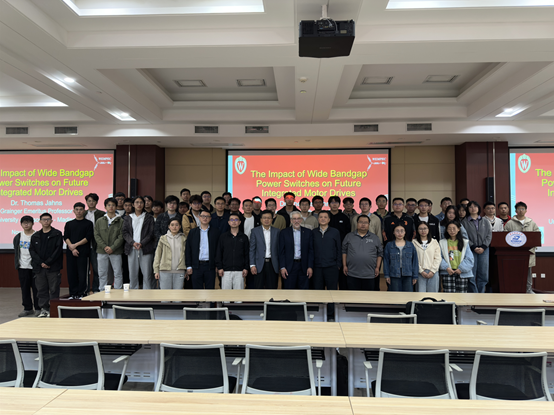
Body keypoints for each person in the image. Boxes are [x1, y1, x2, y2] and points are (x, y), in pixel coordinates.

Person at [29, 212, 63, 318]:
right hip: (39, 268)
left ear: (51, 221)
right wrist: (41, 263)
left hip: (53, 267)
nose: (46, 221)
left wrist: (48, 262)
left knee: (54, 289)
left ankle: (53, 309)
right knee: (41, 289)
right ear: (40, 221)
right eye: (44, 219)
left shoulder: (57, 234)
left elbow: (58, 250)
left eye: (48, 219)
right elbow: (32, 251)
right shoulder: (35, 236)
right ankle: (44, 309)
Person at [504, 201, 541, 294]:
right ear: (516, 211)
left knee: (528, 272)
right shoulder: (510, 223)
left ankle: (528, 290)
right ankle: (514, 290)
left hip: (528, 252)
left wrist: (533, 246)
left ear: (526, 210)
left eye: (523, 209)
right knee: (514, 271)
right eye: (519, 209)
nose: (521, 210)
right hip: (514, 253)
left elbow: (537, 235)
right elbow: (504, 237)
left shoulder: (531, 223)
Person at [122, 196, 155, 289]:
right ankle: (133, 293)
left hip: (145, 248)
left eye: (141, 202)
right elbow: (125, 232)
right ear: (133, 204)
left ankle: (147, 293)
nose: (139, 204)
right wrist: (132, 242)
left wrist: (142, 243)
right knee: (132, 273)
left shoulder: (149, 217)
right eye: (137, 202)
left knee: (147, 273)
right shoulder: (128, 218)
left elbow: (151, 233)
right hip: (131, 248)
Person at [342, 215, 383, 291]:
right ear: (357, 223)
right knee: (353, 295)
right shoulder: (349, 236)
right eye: (360, 222)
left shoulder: (375, 238)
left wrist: (377, 267)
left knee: (368, 296)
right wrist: (344, 265)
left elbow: (380, 253)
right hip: (352, 273)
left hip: (370, 274)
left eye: (365, 223)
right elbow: (344, 251)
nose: (363, 224)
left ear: (369, 224)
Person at [64, 202, 94, 299]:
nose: (79, 211)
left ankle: (82, 293)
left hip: (83, 252)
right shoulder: (69, 224)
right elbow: (66, 237)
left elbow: (88, 237)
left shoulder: (88, 223)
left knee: (82, 274)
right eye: (77, 209)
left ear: (84, 211)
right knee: (71, 273)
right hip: (70, 252)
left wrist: (75, 245)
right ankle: (73, 294)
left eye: (81, 209)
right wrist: (71, 247)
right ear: (73, 211)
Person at [461, 201, 492, 293]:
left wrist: (483, 247)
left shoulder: (485, 221)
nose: (473, 208)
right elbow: (463, 236)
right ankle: (474, 294)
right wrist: (473, 246)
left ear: (478, 208)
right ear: (467, 209)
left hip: (484, 250)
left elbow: (489, 235)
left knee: (484, 273)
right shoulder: (464, 222)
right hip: (470, 249)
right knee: (471, 273)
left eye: (475, 206)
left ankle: (481, 293)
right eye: (470, 207)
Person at [185, 211, 220, 289]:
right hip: (196, 266)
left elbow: (218, 250)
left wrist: (217, 265)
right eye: (203, 216)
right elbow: (188, 250)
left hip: (210, 266)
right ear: (199, 218)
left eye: (207, 216)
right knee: (197, 289)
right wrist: (188, 266)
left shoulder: (216, 232)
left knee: (210, 289)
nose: (205, 218)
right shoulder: (193, 232)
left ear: (210, 219)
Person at [94, 197, 124, 290]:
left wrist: (112, 248)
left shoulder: (121, 221)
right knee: (102, 273)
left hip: (116, 251)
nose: (111, 207)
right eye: (109, 205)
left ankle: (118, 291)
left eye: (113, 205)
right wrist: (104, 247)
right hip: (102, 251)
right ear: (105, 207)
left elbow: (121, 236)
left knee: (118, 272)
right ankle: (102, 291)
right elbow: (96, 235)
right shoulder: (99, 221)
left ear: (116, 207)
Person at [278, 212, 314, 289]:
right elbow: (281, 252)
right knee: (289, 290)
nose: (296, 221)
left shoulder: (308, 232)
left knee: (304, 291)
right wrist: (282, 267)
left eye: (298, 219)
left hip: (304, 266)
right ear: (291, 220)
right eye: (294, 219)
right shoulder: (284, 232)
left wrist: (310, 266)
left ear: (301, 220)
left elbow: (311, 251)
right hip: (289, 267)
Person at [13, 215, 39, 317]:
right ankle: (27, 308)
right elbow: (16, 251)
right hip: (22, 266)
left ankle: (38, 308)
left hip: (35, 267)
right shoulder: (18, 236)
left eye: (28, 222)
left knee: (37, 289)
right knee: (24, 288)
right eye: (24, 223)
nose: (26, 224)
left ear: (33, 224)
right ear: (21, 224)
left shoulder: (37, 235)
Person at [216, 213, 250, 290]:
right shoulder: (223, 237)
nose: (234, 221)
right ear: (228, 222)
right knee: (226, 295)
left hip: (240, 271)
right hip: (225, 271)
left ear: (240, 222)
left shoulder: (244, 237)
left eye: (236, 219)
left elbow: (246, 254)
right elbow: (219, 253)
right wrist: (220, 267)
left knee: (239, 295)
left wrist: (246, 268)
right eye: (231, 220)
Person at [439, 221, 474, 293]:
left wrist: (461, 269)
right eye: (449, 229)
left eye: (454, 228)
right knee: (448, 295)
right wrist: (446, 268)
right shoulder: (442, 242)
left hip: (461, 273)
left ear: (458, 229)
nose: (452, 231)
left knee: (462, 295)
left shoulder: (465, 242)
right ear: (446, 230)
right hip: (448, 272)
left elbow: (469, 258)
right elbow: (439, 257)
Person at [249, 210, 280, 289]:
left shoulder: (277, 231)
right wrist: (252, 265)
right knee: (258, 288)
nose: (267, 220)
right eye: (264, 218)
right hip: (258, 264)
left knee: (272, 288)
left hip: (273, 264)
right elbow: (252, 249)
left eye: (269, 218)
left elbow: (279, 249)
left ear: (272, 219)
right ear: (261, 219)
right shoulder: (255, 231)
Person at [312, 211, 341, 291]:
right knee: (317, 290)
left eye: (325, 217)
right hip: (317, 267)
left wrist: (338, 265)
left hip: (331, 266)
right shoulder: (313, 232)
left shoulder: (335, 232)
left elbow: (339, 248)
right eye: (321, 217)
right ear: (318, 219)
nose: (323, 219)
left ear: (329, 219)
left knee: (332, 290)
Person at [383, 224, 418, 292]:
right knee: (395, 296)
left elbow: (415, 261)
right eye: (397, 231)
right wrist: (387, 275)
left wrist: (415, 276)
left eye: (402, 231)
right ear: (393, 232)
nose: (400, 233)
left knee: (408, 296)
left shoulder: (410, 245)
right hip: (394, 274)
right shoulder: (389, 245)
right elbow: (386, 261)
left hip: (408, 274)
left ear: (405, 232)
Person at [154, 218, 187, 289]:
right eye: (172, 225)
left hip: (180, 271)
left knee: (178, 295)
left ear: (180, 226)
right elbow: (158, 255)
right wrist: (156, 270)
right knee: (165, 294)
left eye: (176, 225)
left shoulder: (184, 239)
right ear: (169, 226)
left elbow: (187, 255)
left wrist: (187, 269)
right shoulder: (163, 238)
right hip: (165, 270)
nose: (174, 227)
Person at [85, 193, 105, 293]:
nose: (91, 203)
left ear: (96, 202)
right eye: (89, 201)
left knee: (97, 269)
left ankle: (96, 289)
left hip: (96, 245)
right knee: (85, 270)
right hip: (84, 244)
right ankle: (85, 290)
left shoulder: (101, 214)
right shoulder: (83, 213)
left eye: (93, 201)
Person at [413, 222, 442, 293]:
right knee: (420, 295)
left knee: (433, 295)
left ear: (428, 229)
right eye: (420, 229)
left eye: (425, 228)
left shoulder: (434, 242)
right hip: (420, 273)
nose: (423, 231)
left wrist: (433, 271)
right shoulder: (413, 243)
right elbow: (413, 259)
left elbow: (438, 258)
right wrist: (421, 271)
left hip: (433, 272)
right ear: (417, 230)